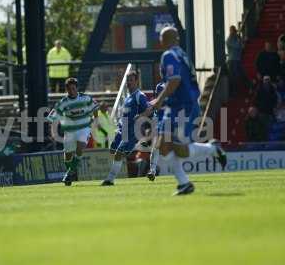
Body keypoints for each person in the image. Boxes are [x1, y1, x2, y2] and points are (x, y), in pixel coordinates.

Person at [142, 26, 227, 196]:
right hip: (174, 107)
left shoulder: (168, 55)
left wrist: (159, 100)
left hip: (183, 107)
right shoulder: (182, 54)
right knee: (162, 147)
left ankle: (212, 149)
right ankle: (184, 183)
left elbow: (174, 80)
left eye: (160, 37)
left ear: (165, 39)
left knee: (180, 148)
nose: (159, 41)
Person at [47, 78, 99, 186]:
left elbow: (95, 108)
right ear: (66, 89)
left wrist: (96, 120)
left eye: (73, 88)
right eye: (69, 89)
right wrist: (53, 133)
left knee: (81, 146)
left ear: (77, 88)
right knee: (68, 155)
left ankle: (69, 173)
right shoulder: (63, 103)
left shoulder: (86, 98)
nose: (72, 91)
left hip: (84, 128)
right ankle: (70, 173)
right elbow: (53, 118)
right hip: (70, 131)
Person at [102, 71, 149, 186]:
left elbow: (149, 110)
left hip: (132, 131)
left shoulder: (140, 96)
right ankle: (136, 146)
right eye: (127, 80)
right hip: (122, 129)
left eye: (131, 80)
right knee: (112, 150)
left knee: (119, 153)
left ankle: (110, 179)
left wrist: (141, 116)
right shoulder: (128, 97)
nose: (128, 83)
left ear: (137, 81)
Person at [226, 25, 250, 97]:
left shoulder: (236, 39)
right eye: (233, 31)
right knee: (234, 76)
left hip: (237, 60)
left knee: (239, 75)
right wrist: (240, 40)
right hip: (232, 61)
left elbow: (242, 47)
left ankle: (248, 86)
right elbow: (238, 46)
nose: (234, 32)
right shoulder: (229, 40)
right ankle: (234, 92)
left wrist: (240, 40)